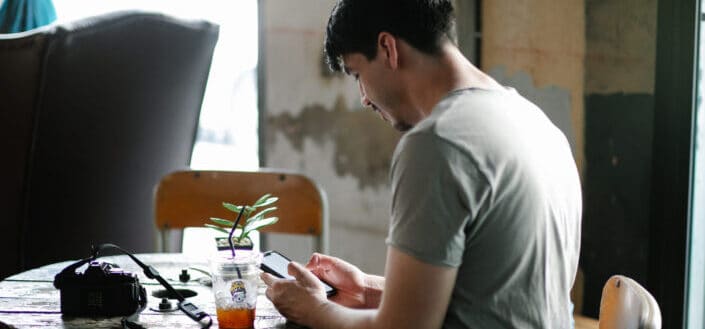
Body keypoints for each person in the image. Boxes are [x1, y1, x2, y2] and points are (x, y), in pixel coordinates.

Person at [260, 0, 582, 328]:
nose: (364, 98)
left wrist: (313, 308)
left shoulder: (438, 142)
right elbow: (500, 294)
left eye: (358, 74)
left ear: (387, 48)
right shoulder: (537, 123)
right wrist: (365, 289)